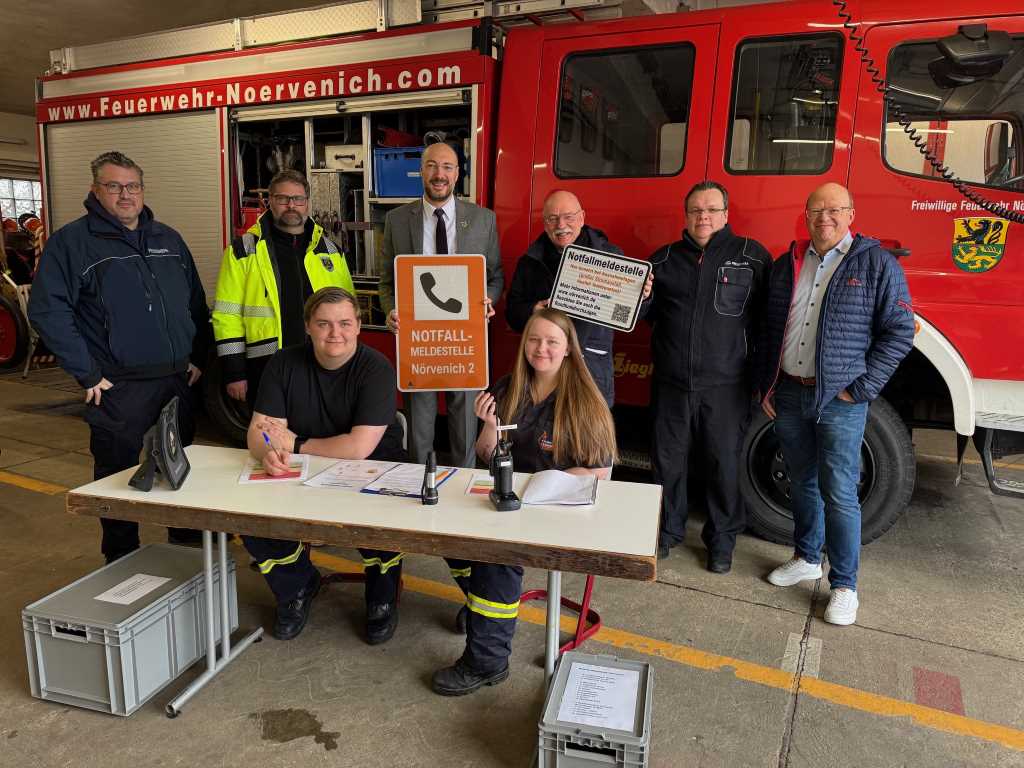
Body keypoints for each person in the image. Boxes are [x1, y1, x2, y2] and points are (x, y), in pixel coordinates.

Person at [28, 151, 209, 563]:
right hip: (118, 384)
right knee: (116, 474)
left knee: (179, 461)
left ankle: (182, 531)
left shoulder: (168, 238)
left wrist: (198, 355)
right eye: (114, 186)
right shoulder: (73, 243)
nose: (125, 195)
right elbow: (47, 310)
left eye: (133, 186)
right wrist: (87, 373)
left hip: (176, 378)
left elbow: (194, 302)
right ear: (95, 191)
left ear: (143, 190)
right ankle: (122, 552)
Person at [432, 308, 616, 696]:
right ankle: (488, 605)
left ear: (568, 349)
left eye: (552, 341)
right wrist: (487, 426)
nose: (541, 349)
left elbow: (600, 473)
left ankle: (487, 661)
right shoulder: (507, 388)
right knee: (443, 532)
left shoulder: (584, 398)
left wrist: (545, 487)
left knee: (495, 558)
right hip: (510, 504)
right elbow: (486, 454)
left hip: (560, 511)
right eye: (534, 340)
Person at [756, 182, 914, 626]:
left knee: (840, 491)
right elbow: (770, 328)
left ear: (851, 214)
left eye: (834, 210)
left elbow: (900, 332)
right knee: (802, 480)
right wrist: (765, 384)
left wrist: (859, 389)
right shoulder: (788, 262)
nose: (824, 217)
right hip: (788, 389)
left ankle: (844, 585)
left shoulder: (876, 263)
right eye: (816, 210)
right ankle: (807, 558)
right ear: (805, 216)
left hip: (839, 398)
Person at [245, 287, 406, 642]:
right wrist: (268, 451)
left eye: (345, 323)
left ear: (359, 326)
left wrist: (295, 444)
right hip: (305, 466)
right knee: (253, 519)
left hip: (373, 467)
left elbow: (359, 447)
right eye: (324, 324)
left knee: (379, 525)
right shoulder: (283, 363)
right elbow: (259, 431)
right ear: (307, 327)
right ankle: (297, 586)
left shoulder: (376, 368)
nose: (335, 333)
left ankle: (382, 597)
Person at [641, 181, 770, 572]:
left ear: (726, 215)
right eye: (696, 210)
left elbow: (770, 321)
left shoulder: (753, 257)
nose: (703, 217)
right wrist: (641, 295)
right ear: (686, 215)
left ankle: (721, 541)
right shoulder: (661, 260)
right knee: (667, 463)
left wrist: (764, 380)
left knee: (723, 465)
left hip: (727, 386)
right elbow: (637, 318)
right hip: (672, 384)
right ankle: (667, 532)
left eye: (712, 210)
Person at [378, 142, 503, 467]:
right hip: (419, 342)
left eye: (447, 167)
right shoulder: (396, 220)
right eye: (432, 166)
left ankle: (462, 488)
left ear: (458, 174)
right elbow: (386, 282)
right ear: (421, 171)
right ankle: (421, 486)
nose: (439, 174)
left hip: (464, 341)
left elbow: (495, 275)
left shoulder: (483, 220)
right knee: (419, 427)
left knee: (465, 425)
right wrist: (391, 310)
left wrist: (490, 299)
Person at [212, 169, 354, 407]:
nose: (291, 205)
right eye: (282, 199)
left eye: (298, 199)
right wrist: (234, 371)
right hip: (267, 366)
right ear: (270, 202)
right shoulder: (243, 251)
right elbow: (227, 315)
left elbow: (349, 311)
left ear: (307, 203)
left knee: (321, 436)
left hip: (324, 363)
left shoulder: (329, 251)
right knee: (270, 437)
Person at [505, 190, 623, 406]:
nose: (561, 225)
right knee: (544, 435)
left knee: (590, 436)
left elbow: (632, 315)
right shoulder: (529, 261)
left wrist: (642, 297)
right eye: (553, 218)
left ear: (582, 218)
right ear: (544, 223)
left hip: (592, 367)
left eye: (568, 217)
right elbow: (512, 313)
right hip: (544, 370)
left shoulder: (611, 256)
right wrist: (532, 311)